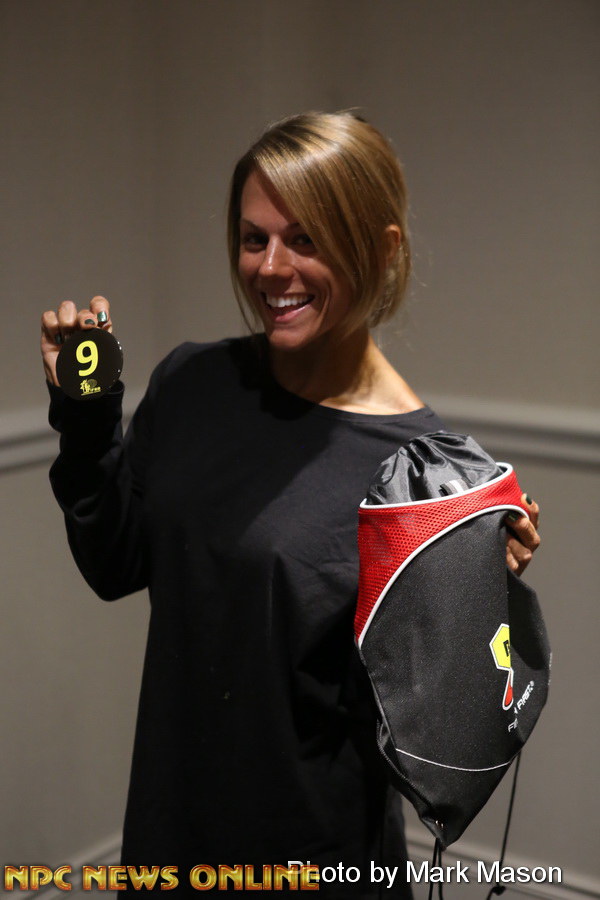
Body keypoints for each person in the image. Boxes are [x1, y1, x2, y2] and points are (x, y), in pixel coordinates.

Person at [41, 112, 540, 898]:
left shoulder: (429, 474)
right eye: (254, 238)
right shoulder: (192, 383)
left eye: (305, 240)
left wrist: (473, 596)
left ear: (381, 249)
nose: (271, 268)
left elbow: (432, 739)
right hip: (172, 829)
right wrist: (87, 419)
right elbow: (115, 563)